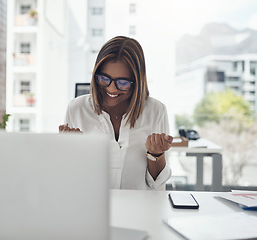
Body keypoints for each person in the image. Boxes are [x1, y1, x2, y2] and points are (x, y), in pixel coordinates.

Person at [59, 36, 173, 190]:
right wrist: (72, 150)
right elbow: (70, 178)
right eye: (104, 79)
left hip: (139, 210)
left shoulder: (156, 111)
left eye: (123, 82)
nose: (111, 89)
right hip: (92, 208)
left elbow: (157, 184)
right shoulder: (77, 108)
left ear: (137, 82)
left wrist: (156, 154)